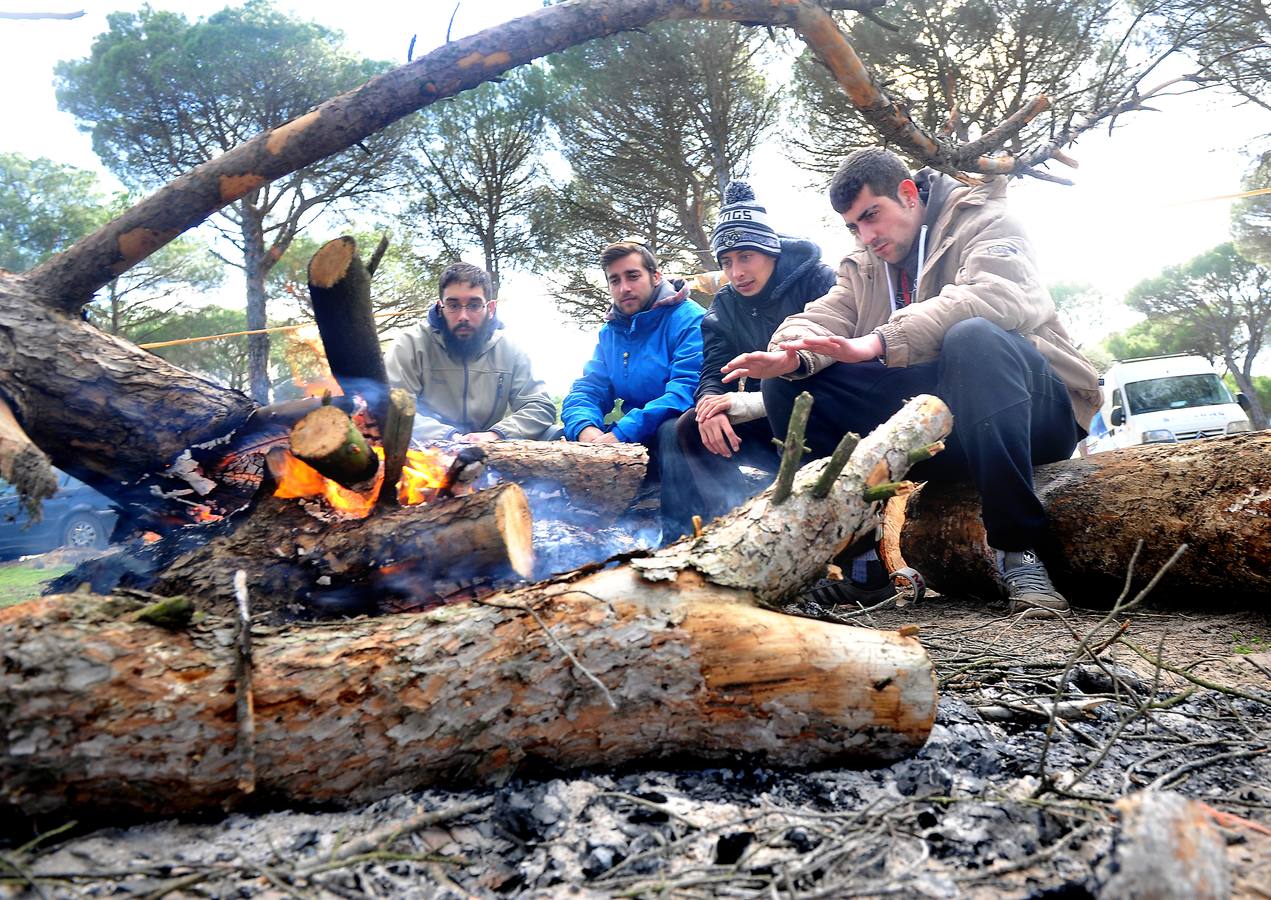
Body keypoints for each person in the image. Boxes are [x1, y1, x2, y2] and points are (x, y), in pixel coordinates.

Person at [722, 147, 1101, 615]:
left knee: (975, 336)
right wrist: (788, 353)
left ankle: (1018, 551)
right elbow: (826, 314)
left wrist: (880, 341)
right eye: (854, 226)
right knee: (790, 384)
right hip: (944, 434)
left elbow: (997, 296)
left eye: (871, 216)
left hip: (1032, 417)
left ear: (907, 193)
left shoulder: (986, 219)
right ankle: (863, 568)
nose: (867, 235)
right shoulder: (862, 262)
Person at [663, 180, 836, 540]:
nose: (737, 272)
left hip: (826, 411)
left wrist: (752, 401)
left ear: (770, 252)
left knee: (782, 393)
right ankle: (736, 529)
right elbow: (713, 368)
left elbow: (839, 356)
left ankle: (836, 548)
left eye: (746, 257)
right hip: (768, 419)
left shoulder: (816, 280)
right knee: (689, 426)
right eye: (726, 262)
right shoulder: (725, 304)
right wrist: (709, 404)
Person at [559, 241, 705, 537]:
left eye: (632, 276)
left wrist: (621, 434)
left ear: (655, 276)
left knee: (671, 428)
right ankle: (580, 539)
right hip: (634, 440)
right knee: (559, 437)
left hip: (686, 436)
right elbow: (588, 388)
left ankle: (680, 539)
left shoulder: (689, 318)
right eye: (615, 280)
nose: (624, 287)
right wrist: (586, 431)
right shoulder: (611, 332)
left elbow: (685, 390)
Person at [385, 262, 556, 443]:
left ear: (490, 309)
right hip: (427, 449)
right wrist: (450, 437)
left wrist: (497, 434)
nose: (463, 316)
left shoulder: (510, 348)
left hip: (491, 450)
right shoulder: (410, 344)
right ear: (440, 307)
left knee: (554, 432)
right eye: (453, 305)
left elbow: (539, 406)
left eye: (474, 305)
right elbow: (391, 406)